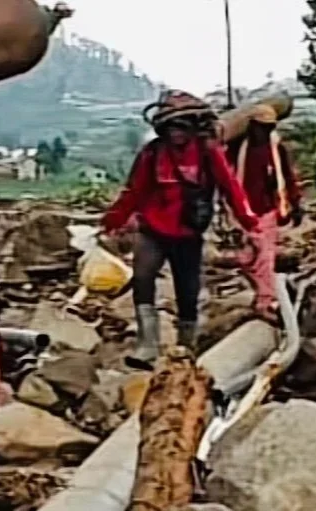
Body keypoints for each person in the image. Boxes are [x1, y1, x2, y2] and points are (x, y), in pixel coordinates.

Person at [102, 89, 259, 367]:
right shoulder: (152, 154)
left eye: (182, 126)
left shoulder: (208, 153)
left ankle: (186, 345)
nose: (176, 132)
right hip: (154, 229)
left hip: (189, 232)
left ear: (193, 127)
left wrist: (249, 222)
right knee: (142, 276)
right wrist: (113, 221)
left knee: (187, 289)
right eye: (172, 127)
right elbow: (134, 191)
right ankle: (148, 344)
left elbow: (230, 187)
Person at [227, 104, 303, 322]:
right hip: (242, 211)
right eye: (262, 127)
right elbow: (226, 177)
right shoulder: (238, 150)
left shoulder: (276, 148)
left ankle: (265, 302)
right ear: (252, 126)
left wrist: (295, 204)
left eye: (269, 127)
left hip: (267, 210)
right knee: (247, 259)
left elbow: (287, 177)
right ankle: (263, 294)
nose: (266, 132)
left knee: (265, 258)